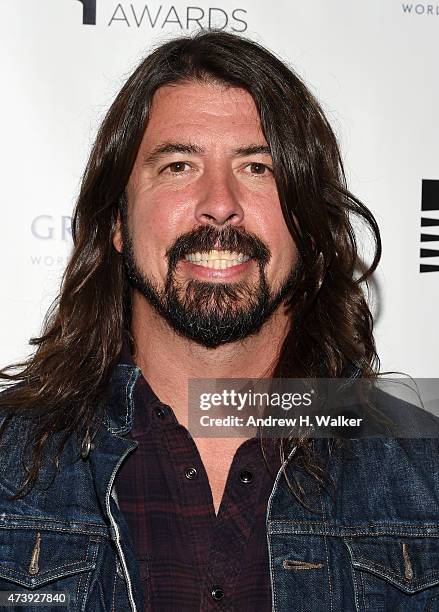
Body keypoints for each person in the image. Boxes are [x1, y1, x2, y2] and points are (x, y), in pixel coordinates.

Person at [0, 30, 438, 612]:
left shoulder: (424, 473)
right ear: (116, 223)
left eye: (258, 168)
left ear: (307, 224)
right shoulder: (11, 463)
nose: (220, 202)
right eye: (179, 165)